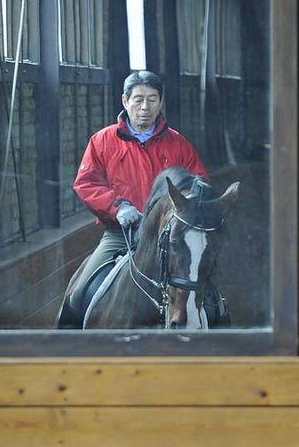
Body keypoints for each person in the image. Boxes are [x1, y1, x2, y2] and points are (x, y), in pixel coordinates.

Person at [72, 70, 208, 292]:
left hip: (171, 237)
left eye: (152, 100)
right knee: (79, 294)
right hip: (121, 233)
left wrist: (180, 214)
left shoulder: (178, 144)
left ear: (161, 102)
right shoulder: (102, 141)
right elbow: (87, 183)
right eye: (139, 100)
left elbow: (199, 183)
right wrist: (118, 207)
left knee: (209, 296)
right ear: (125, 101)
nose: (146, 107)